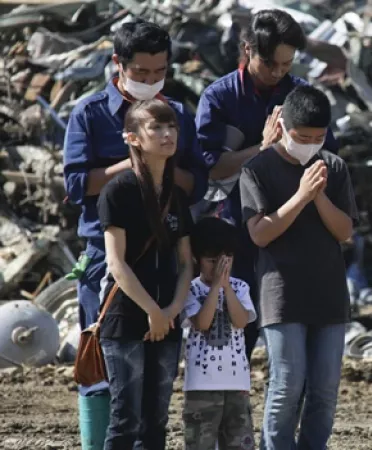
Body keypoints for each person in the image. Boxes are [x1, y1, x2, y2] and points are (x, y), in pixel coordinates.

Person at [62, 19, 207, 432]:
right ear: (118, 64)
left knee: (154, 382)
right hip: (107, 259)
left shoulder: (177, 114)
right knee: (101, 371)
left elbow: (198, 184)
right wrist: (135, 164)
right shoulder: (89, 113)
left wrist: (164, 163)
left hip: (164, 258)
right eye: (140, 73)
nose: (150, 80)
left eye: (159, 73)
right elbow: (75, 185)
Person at [194, 9, 339, 361]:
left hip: (291, 235)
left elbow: (327, 159)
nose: (277, 73)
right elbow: (209, 166)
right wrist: (262, 149)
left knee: (290, 347)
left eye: (286, 65)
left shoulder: (301, 97)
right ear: (248, 49)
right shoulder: (220, 98)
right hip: (234, 234)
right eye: (270, 63)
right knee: (229, 344)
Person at [239, 85, 356, 450]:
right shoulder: (257, 169)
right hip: (282, 293)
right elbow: (259, 233)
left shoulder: (333, 168)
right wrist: (301, 195)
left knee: (324, 389)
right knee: (287, 383)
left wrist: (318, 195)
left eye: (318, 138)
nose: (310, 144)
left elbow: (345, 231)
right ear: (283, 127)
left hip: (328, 294)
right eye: (302, 137)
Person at [97, 99, 194, 449]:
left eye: (172, 127)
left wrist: (171, 311)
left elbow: (186, 263)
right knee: (126, 419)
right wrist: (152, 310)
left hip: (167, 320)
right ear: (133, 138)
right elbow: (116, 263)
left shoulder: (176, 197)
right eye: (156, 127)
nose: (167, 134)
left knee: (157, 421)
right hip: (125, 318)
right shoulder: (117, 192)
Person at [182, 217, 257, 450]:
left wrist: (226, 287)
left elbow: (242, 320)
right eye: (211, 261)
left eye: (225, 260)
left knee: (238, 442)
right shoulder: (190, 289)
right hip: (201, 385)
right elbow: (202, 323)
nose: (219, 268)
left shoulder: (240, 287)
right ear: (197, 259)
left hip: (237, 384)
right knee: (200, 443)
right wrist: (215, 288)